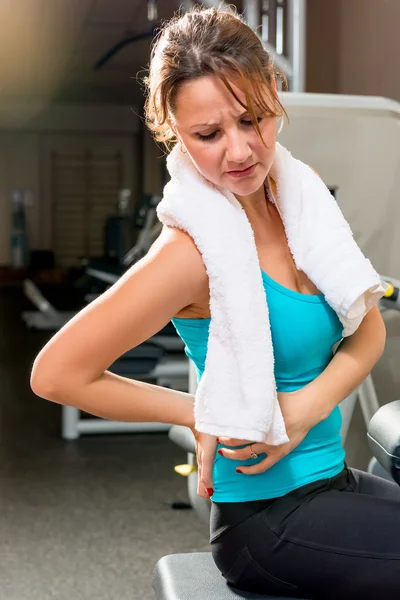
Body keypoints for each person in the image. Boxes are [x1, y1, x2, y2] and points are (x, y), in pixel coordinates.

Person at [31, 6, 400, 600]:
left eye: (252, 119)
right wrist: (198, 414)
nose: (240, 151)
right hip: (267, 522)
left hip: (333, 482)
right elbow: (56, 374)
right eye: (208, 134)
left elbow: (368, 331)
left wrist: (301, 410)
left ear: (274, 93)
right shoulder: (191, 253)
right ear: (174, 129)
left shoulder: (298, 196)